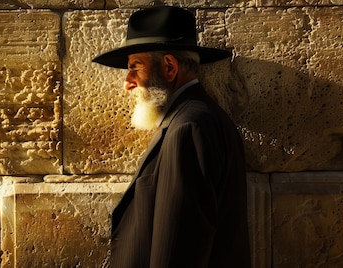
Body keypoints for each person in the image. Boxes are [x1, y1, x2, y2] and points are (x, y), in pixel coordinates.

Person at [92, 6, 251, 267]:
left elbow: (180, 249)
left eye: (135, 67)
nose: (127, 82)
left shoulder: (188, 129)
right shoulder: (193, 119)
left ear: (169, 67)